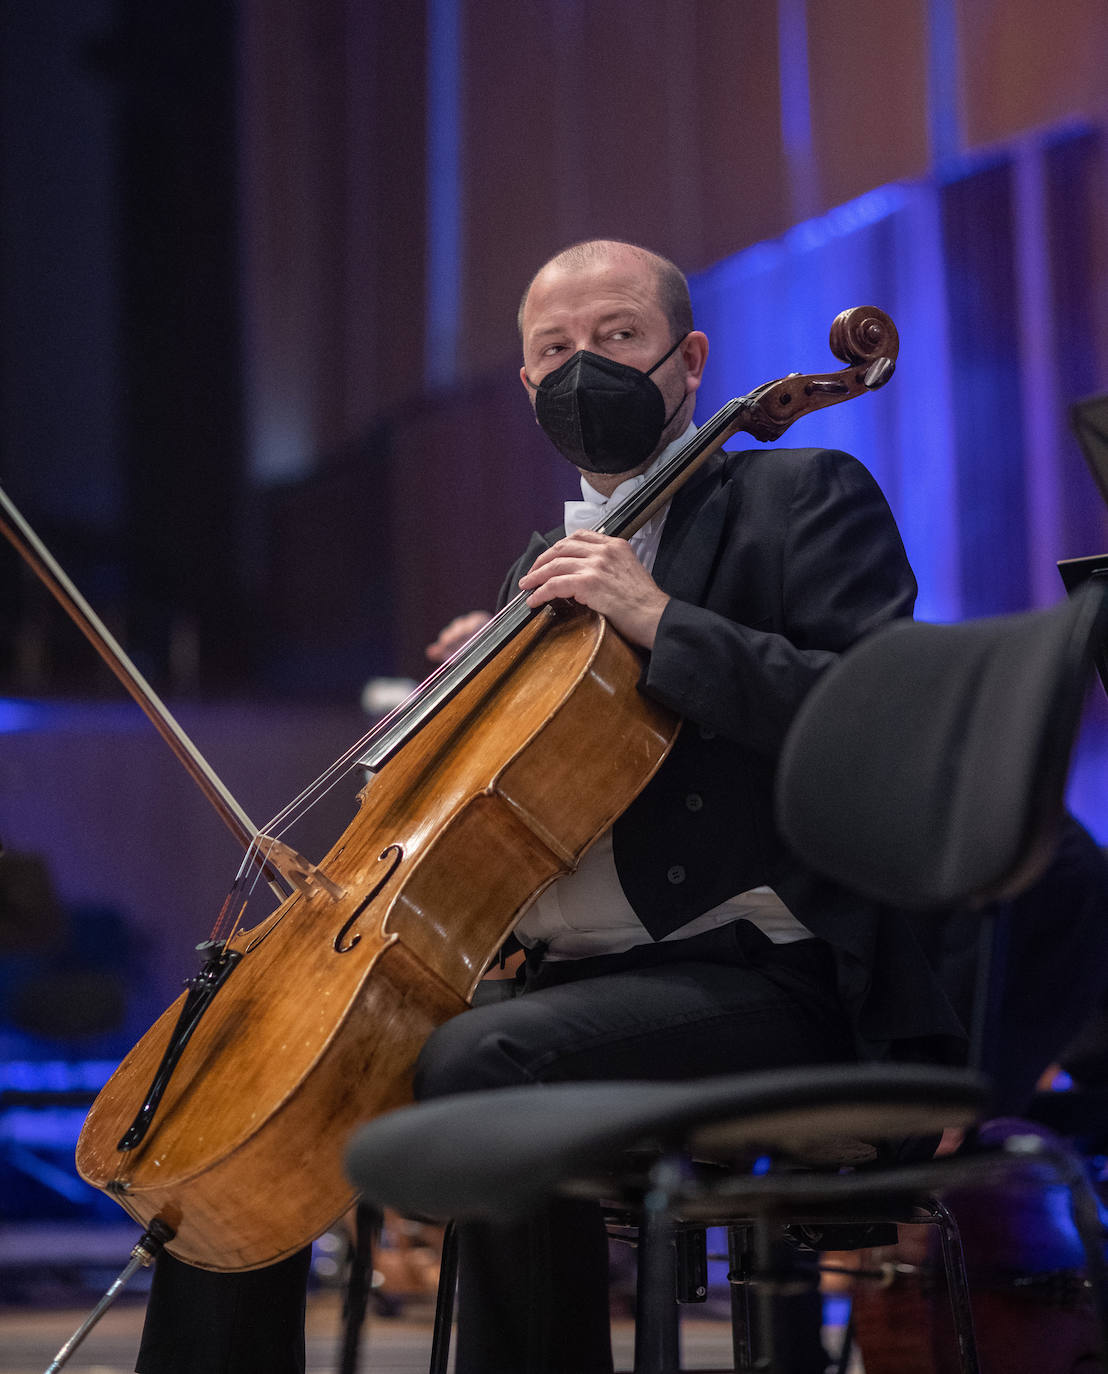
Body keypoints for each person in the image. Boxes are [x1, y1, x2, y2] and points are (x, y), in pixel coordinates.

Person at [135, 239, 966, 1374]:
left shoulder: (796, 494)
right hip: (568, 986)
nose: (588, 368)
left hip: (766, 976)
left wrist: (657, 617)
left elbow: (884, 726)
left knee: (487, 1062)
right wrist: (476, 689)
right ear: (527, 387)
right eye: (555, 351)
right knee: (248, 1081)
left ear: (690, 358)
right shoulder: (544, 570)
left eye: (618, 337)